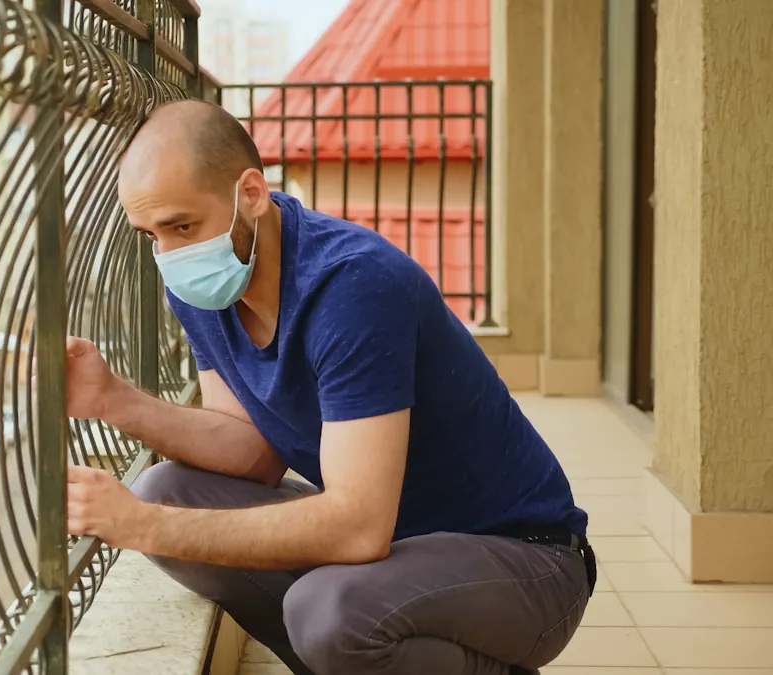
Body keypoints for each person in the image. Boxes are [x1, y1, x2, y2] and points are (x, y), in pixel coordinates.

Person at [62, 99, 594, 675]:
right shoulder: (204, 281)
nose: (170, 255)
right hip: (396, 554)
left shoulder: (353, 285)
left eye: (182, 226)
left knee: (330, 612)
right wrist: (110, 399)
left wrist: (140, 528)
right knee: (166, 490)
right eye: (151, 236)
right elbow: (250, 451)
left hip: (525, 560)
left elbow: (359, 528)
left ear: (250, 194)